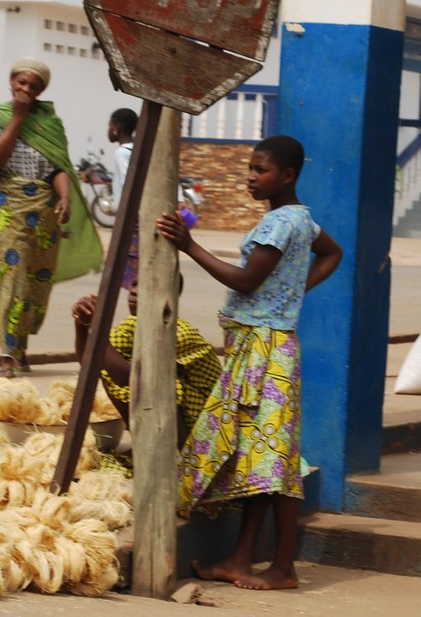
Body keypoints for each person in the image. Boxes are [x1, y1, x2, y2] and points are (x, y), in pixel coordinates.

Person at [156, 135, 343, 592]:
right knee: (261, 459)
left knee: (274, 461)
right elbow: (332, 253)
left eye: (260, 170)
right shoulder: (302, 220)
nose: (250, 177)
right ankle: (241, 559)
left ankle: (282, 567)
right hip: (269, 345)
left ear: (288, 175)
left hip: (264, 352)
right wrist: (291, 293)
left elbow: (245, 278)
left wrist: (190, 246)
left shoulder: (279, 224)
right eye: (250, 168)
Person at [0, 57, 103, 379]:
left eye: (34, 86)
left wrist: (66, 197)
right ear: (12, 82)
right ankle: (6, 356)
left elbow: (58, 168)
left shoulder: (49, 124)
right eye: (22, 83)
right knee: (11, 281)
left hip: (44, 216)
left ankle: (21, 349)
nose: (26, 89)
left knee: (35, 287)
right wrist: (17, 117)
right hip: (6, 210)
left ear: (42, 90)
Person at [71, 277, 221, 447]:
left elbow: (131, 380)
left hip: (209, 421)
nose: (134, 291)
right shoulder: (131, 326)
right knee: (109, 367)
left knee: (160, 386)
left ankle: (180, 454)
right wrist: (82, 324)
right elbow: (90, 363)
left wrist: (99, 328)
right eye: (134, 284)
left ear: (168, 297)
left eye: (146, 285)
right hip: (181, 412)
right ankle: (144, 444)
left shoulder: (178, 333)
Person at [107, 107, 138, 208]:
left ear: (115, 129)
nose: (109, 129)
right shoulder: (136, 149)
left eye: (110, 125)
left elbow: (127, 183)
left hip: (127, 211)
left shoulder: (121, 153)